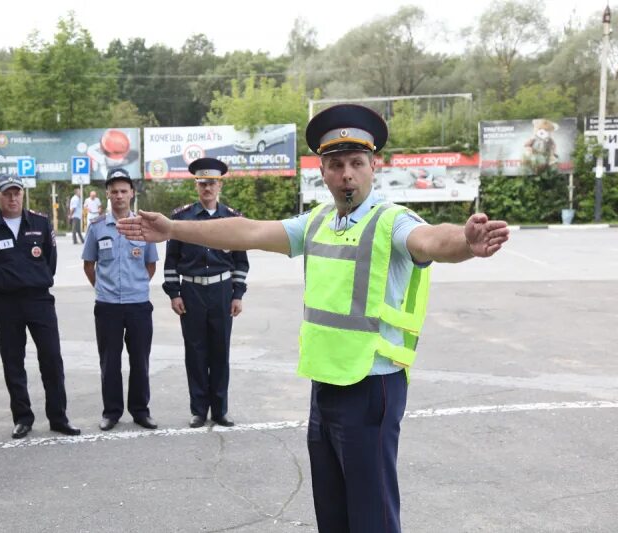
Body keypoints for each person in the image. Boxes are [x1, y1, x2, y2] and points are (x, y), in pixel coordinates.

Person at [116, 104, 510, 532]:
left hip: (372, 386)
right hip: (325, 384)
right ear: (321, 170)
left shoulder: (392, 221)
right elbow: (246, 231)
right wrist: (173, 228)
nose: (347, 175)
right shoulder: (318, 221)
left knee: (372, 516)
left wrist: (466, 243)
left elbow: (431, 240)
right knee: (333, 514)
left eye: (357, 164)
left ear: (373, 166)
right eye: (336, 164)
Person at [0, 176, 81, 439]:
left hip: (38, 300)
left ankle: (58, 417)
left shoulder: (40, 222)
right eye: (7, 194)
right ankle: (22, 418)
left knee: (51, 360)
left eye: (17, 193)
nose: (13, 198)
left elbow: (51, 261)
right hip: (5, 303)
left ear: (23, 195)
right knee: (13, 362)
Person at [162, 157, 249, 428]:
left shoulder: (233, 219)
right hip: (191, 292)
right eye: (202, 183)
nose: (207, 188)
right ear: (196, 185)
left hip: (222, 291)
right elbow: (171, 260)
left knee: (220, 351)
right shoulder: (182, 218)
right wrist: (174, 293)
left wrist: (238, 294)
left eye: (211, 183)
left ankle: (220, 410)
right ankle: (199, 410)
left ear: (219, 185)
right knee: (196, 352)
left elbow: (241, 261)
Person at [82, 168, 159, 432]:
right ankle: (111, 412)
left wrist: (134, 287)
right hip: (107, 306)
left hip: (138, 305)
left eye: (123, 191)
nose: (119, 196)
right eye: (114, 191)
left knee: (140, 360)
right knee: (110, 362)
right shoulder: (97, 227)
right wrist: (105, 289)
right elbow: (89, 265)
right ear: (107, 194)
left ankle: (140, 411)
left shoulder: (143, 225)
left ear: (132, 193)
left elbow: (150, 265)